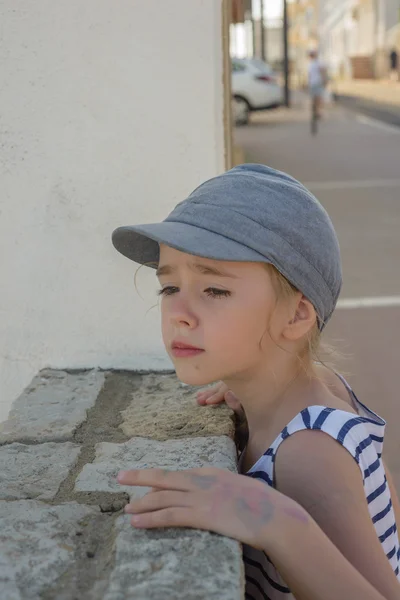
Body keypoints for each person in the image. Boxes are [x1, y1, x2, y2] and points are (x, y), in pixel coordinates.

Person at [112, 164, 400, 600]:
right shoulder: (314, 388)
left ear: (297, 315)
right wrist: (246, 382)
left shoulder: (308, 451)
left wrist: (275, 522)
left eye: (215, 291)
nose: (178, 314)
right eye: (169, 287)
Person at [308, 49, 328, 118]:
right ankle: (315, 112)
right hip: (313, 83)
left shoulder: (318, 63)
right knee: (314, 98)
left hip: (317, 82)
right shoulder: (311, 64)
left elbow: (323, 72)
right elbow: (310, 75)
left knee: (318, 98)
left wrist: (324, 81)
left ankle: (318, 112)